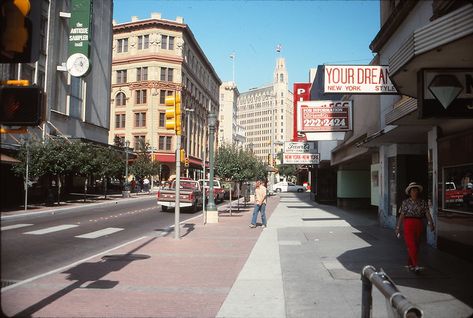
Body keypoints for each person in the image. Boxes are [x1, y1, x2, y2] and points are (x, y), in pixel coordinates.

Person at [395, 182, 435, 273]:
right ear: (409, 192)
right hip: (408, 223)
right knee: (411, 244)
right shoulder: (405, 202)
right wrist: (398, 227)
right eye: (413, 190)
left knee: (416, 246)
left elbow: (427, 213)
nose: (414, 192)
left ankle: (410, 263)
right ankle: (416, 265)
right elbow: (402, 215)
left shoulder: (422, 202)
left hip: (419, 223)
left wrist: (431, 223)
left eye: (416, 190)